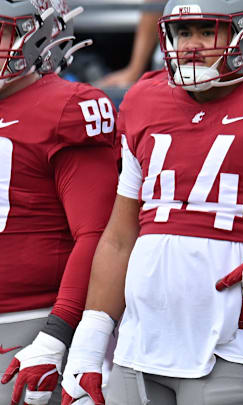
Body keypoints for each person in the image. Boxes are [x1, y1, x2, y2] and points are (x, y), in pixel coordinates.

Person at [58, 0, 243, 404]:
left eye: (206, 31)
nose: (191, 46)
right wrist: (92, 338)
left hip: (239, 340)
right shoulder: (144, 98)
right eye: (183, 33)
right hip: (141, 340)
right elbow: (120, 234)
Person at [0, 1, 118, 405]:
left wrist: (57, 332)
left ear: (37, 34)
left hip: (27, 325)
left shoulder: (66, 107)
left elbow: (99, 234)